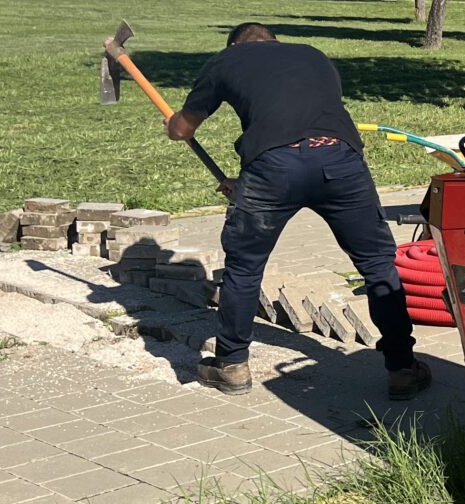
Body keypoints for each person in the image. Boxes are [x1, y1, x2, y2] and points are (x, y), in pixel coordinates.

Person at [166, 21, 430, 399]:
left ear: (236, 46)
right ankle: (402, 368)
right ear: (275, 41)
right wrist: (249, 182)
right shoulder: (312, 55)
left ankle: (231, 365)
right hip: (340, 159)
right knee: (377, 264)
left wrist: (172, 124)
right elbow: (301, 121)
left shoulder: (226, 60)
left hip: (273, 168)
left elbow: (182, 129)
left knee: (245, 267)